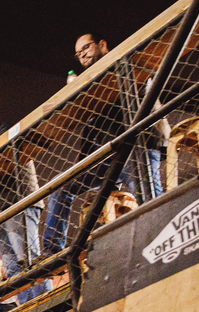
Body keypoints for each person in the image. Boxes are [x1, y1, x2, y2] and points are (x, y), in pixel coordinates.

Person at [44, 32, 166, 251]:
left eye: (86, 48)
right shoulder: (88, 85)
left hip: (136, 147)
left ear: (102, 44)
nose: (82, 55)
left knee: (151, 200)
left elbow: (146, 95)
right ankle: (52, 251)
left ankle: (166, 233)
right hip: (105, 158)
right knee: (59, 186)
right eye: (78, 53)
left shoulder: (124, 60)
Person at [0, 106, 50, 305]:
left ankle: (45, 301)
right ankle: (26, 306)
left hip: (18, 203)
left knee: (27, 256)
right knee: (11, 266)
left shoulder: (7, 133)